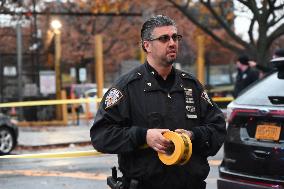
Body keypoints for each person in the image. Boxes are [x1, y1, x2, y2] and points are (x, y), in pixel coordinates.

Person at [90, 15, 226, 189]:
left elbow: (218, 127)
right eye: (164, 38)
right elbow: (101, 136)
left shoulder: (191, 85)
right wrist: (143, 136)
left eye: (175, 37)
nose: (172, 43)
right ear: (147, 46)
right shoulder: (126, 88)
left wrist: (194, 136)